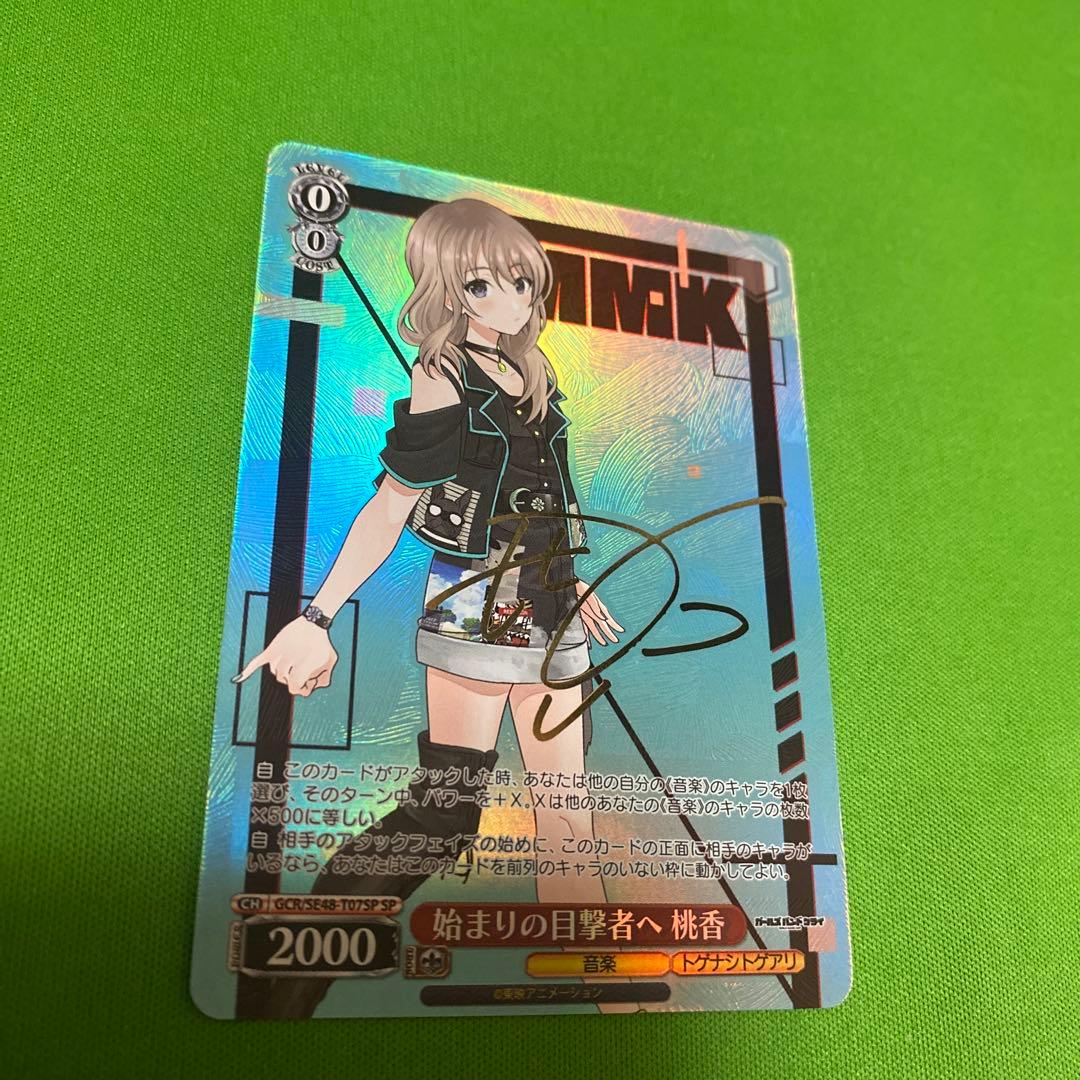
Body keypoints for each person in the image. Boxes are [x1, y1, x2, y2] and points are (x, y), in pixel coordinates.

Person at [235, 197, 627, 1017]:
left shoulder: (535, 370)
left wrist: (573, 577)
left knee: (568, 819)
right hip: (478, 599)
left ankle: (609, 997)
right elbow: (392, 505)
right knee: (445, 813)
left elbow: (543, 493)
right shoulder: (442, 374)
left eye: (520, 281)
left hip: (552, 600)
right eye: (481, 285)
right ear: (447, 290)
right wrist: (316, 617)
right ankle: (287, 980)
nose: (508, 300)